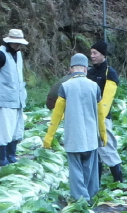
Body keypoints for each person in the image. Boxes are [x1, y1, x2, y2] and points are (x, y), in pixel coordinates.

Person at [43, 54, 105, 201]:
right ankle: (90, 196)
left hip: (73, 137)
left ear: (71, 69)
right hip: (90, 136)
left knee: (76, 171)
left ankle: (80, 200)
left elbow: (57, 114)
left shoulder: (65, 87)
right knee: (89, 169)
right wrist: (103, 134)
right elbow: (100, 113)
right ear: (85, 69)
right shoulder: (94, 86)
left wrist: (49, 136)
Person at [0, 29, 29, 166]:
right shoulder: (0, 55)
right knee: (3, 129)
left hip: (17, 98)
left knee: (16, 128)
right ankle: (2, 157)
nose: (19, 46)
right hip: (4, 98)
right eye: (16, 43)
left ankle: (11, 154)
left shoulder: (18, 54)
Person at [87, 40, 123, 183]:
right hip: (90, 116)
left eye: (95, 53)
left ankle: (119, 180)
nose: (92, 56)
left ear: (103, 54)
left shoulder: (109, 72)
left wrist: (100, 117)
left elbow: (108, 98)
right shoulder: (89, 72)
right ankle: (97, 182)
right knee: (94, 150)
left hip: (102, 117)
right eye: (91, 53)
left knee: (106, 147)